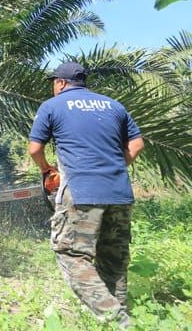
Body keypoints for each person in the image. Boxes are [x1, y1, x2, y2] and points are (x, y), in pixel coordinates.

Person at [28, 61, 145, 328]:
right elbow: (137, 144)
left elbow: (35, 149)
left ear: (60, 83)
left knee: (70, 255)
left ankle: (119, 320)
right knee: (113, 258)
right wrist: (112, 166)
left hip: (82, 192)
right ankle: (118, 320)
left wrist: (47, 168)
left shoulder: (52, 106)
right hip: (119, 191)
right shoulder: (114, 105)